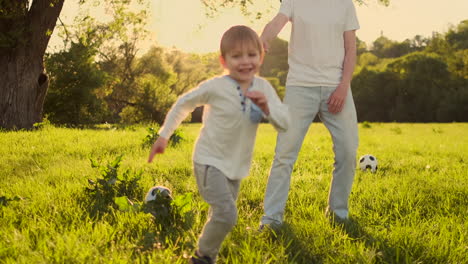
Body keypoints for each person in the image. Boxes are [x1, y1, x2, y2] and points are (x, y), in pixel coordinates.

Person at [148, 25, 290, 264]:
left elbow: (284, 123)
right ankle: (202, 256)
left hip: (236, 168)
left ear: (261, 56)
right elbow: (184, 103)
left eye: (251, 55)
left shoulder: (263, 88)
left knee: (219, 213)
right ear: (224, 61)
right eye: (236, 56)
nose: (245, 62)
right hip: (208, 161)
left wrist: (268, 108)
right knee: (227, 214)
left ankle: (208, 254)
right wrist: (164, 135)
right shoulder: (216, 87)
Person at [259, 0, 360, 228]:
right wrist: (264, 37)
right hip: (300, 87)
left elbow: (351, 48)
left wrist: (343, 86)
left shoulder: (345, 4)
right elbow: (277, 22)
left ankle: (338, 213)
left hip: (336, 87)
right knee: (284, 154)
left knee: (348, 151)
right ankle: (272, 218)